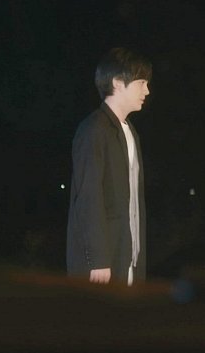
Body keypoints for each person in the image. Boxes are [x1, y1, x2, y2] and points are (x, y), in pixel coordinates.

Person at [67, 47, 152, 285]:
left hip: (128, 257)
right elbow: (89, 197)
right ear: (117, 83)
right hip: (103, 265)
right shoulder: (94, 129)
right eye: (141, 82)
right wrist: (98, 259)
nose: (147, 90)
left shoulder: (130, 131)